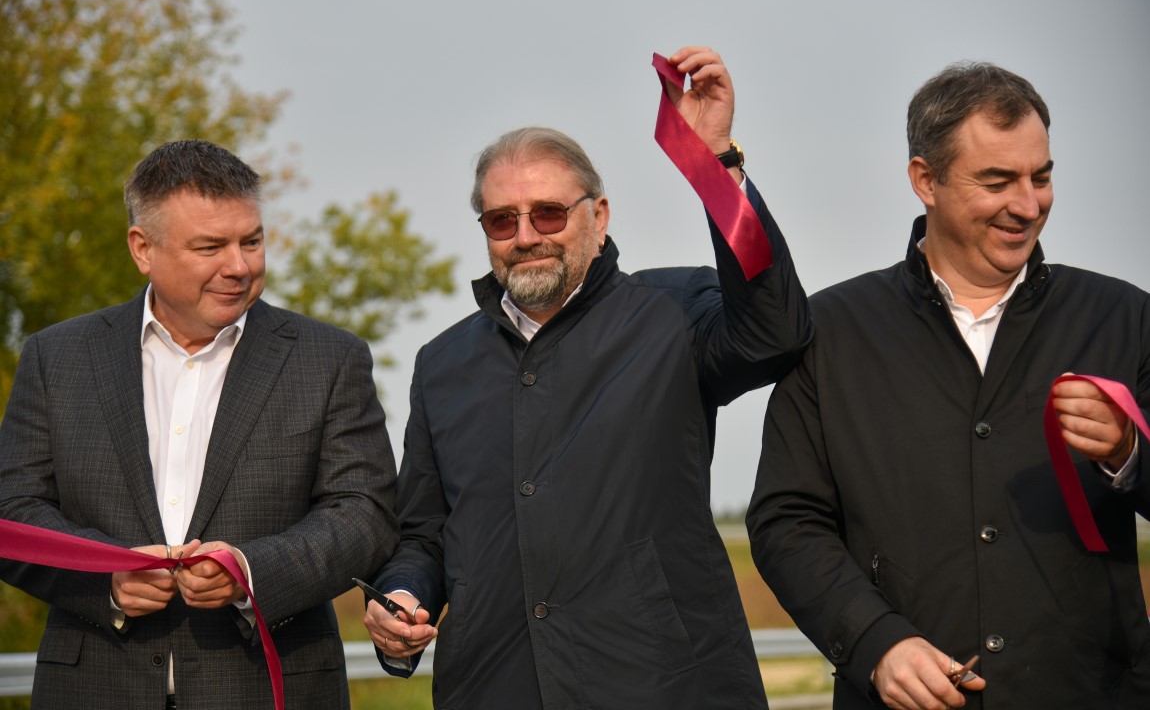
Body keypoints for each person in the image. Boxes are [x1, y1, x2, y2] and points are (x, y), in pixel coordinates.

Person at [360, 46, 812, 709]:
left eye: (548, 213)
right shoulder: (442, 363)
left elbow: (777, 332)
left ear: (598, 218)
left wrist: (715, 161)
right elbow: (424, 533)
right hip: (494, 688)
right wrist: (401, 595)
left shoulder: (673, 313)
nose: (525, 235)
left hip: (663, 687)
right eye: (502, 219)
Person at [746, 62, 1150, 709]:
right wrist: (875, 643)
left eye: (1041, 177)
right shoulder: (830, 333)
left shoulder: (1126, 318)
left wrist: (1130, 453)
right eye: (997, 181)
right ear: (925, 180)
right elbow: (785, 523)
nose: (1028, 205)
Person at [0, 140, 398, 709]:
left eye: (251, 241)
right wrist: (103, 580)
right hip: (92, 689)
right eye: (210, 246)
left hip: (269, 689)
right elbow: (12, 508)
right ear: (143, 249)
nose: (239, 266)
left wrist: (252, 573)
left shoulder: (329, 358)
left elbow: (366, 513)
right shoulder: (56, 357)